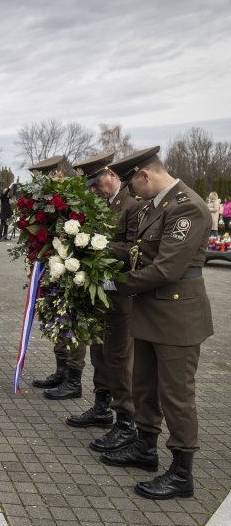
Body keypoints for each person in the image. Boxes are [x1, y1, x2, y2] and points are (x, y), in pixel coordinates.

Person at [100, 146, 213, 500]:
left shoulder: (187, 208)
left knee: (176, 396)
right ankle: (145, 449)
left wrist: (113, 284)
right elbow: (137, 250)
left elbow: (166, 269)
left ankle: (182, 473)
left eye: (132, 183)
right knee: (144, 386)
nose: (130, 192)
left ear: (144, 175)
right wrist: (96, 247)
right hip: (150, 312)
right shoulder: (158, 205)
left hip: (177, 317)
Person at [66, 152, 144, 454]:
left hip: (121, 293)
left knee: (120, 357)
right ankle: (102, 406)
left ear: (111, 174)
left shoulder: (132, 204)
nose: (94, 190)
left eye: (96, 183)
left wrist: (95, 245)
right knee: (99, 349)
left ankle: (126, 422)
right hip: (102, 292)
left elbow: (136, 249)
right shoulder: (108, 203)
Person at [27, 155, 88, 400]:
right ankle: (61, 370)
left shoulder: (77, 200)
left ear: (59, 175)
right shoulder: (50, 202)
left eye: (45, 177)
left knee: (72, 321)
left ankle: (74, 378)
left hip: (72, 270)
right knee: (57, 317)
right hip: (53, 267)